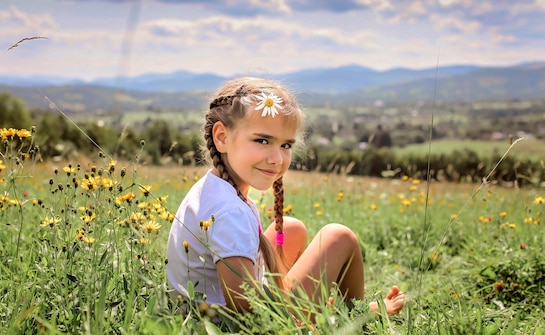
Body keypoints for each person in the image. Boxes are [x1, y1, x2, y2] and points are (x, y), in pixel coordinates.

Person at [165, 76, 405, 318]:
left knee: (291, 228)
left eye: (285, 146)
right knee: (338, 236)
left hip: (213, 309)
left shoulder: (216, 188)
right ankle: (355, 316)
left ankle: (326, 307)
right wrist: (318, 308)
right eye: (262, 140)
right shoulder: (229, 211)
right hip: (233, 327)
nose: (277, 159)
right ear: (222, 137)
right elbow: (246, 308)